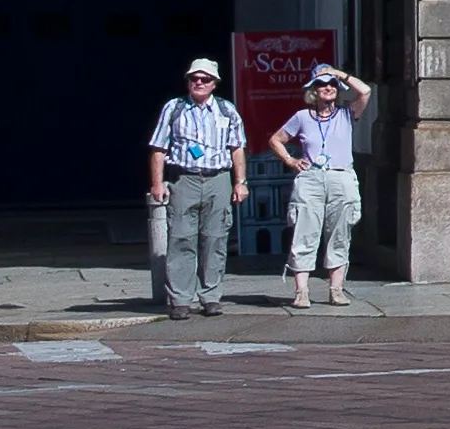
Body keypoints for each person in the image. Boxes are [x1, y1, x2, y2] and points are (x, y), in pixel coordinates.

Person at [144, 58, 247, 316]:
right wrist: (157, 183)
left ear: (215, 84)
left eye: (205, 79)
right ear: (188, 81)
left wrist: (240, 182)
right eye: (194, 78)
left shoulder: (227, 111)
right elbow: (158, 148)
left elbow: (237, 149)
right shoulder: (174, 108)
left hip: (218, 179)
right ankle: (180, 299)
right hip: (183, 179)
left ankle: (211, 296)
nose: (199, 83)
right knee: (180, 239)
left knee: (215, 239)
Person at [268, 64, 373, 306]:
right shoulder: (302, 117)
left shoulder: (347, 113)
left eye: (332, 85)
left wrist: (338, 74)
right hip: (311, 177)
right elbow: (276, 140)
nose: (327, 88)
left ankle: (336, 289)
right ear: (313, 91)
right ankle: (301, 291)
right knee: (305, 231)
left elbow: (365, 91)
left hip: (341, 176)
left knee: (339, 232)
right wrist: (291, 160)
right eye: (322, 84)